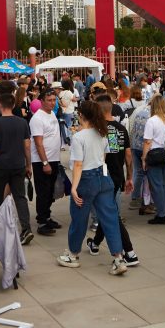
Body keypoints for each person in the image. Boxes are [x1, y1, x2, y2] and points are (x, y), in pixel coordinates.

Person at [56, 100, 130, 276]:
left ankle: (73, 255)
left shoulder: (79, 137)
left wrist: (74, 188)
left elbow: (78, 165)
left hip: (86, 179)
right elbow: (109, 153)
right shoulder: (102, 132)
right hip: (103, 176)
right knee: (110, 219)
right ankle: (118, 258)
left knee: (79, 220)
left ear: (81, 115)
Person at [86, 95, 140, 266]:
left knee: (111, 214)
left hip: (102, 177)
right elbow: (128, 154)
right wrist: (129, 176)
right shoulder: (120, 128)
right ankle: (95, 243)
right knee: (107, 211)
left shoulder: (98, 130)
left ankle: (130, 253)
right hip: (117, 175)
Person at [0, 94, 32, 244]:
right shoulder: (22, 123)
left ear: (0, 106)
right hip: (18, 165)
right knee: (20, 197)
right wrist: (28, 164)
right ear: (13, 106)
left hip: (0, 166)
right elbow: (27, 146)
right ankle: (26, 229)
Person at [30, 89, 63, 236]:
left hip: (54, 159)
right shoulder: (37, 118)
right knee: (43, 192)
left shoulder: (52, 113)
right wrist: (45, 163)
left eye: (54, 100)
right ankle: (42, 222)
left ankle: (47, 216)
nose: (52, 103)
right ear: (42, 101)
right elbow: (38, 143)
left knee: (51, 191)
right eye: (49, 100)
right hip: (42, 162)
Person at [142, 94, 165, 224]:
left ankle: (161, 214)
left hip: (154, 156)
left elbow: (147, 142)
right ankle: (163, 211)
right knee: (163, 184)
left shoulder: (152, 121)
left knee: (156, 186)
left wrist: (144, 159)